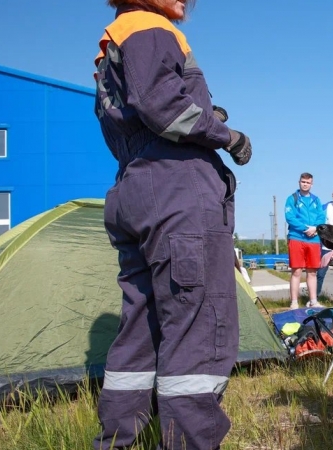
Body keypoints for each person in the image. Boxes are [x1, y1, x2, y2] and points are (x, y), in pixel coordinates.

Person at [92, 1, 253, 448]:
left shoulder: (111, 45)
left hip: (134, 185)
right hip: (176, 188)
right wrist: (229, 136)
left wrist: (203, 116)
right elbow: (162, 106)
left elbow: (136, 113)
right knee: (198, 324)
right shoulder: (149, 25)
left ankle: (118, 439)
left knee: (141, 327)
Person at [285, 172, 326, 310]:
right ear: (299, 182)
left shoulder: (316, 200)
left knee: (312, 271)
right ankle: (294, 302)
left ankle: (313, 300)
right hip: (297, 238)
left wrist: (315, 228)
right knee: (296, 271)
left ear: (312, 184)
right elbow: (290, 217)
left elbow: (321, 216)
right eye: (303, 181)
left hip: (314, 239)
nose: (305, 184)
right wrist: (304, 228)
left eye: (308, 182)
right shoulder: (292, 199)